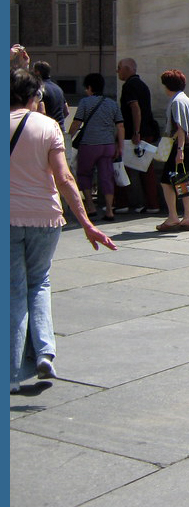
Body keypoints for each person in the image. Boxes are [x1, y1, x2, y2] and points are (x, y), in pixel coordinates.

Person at [10, 68, 117, 395]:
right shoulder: (49, 127)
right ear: (35, 97)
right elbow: (64, 178)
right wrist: (87, 223)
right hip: (47, 218)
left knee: (14, 289)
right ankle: (44, 352)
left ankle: (12, 371)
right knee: (39, 282)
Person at [68, 73, 125, 222]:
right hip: (108, 145)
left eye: (86, 88)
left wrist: (67, 138)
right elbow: (120, 125)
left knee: (84, 174)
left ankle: (91, 206)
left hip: (89, 145)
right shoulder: (112, 103)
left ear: (90, 87)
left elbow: (77, 123)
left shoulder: (85, 102)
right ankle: (109, 210)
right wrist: (120, 145)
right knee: (106, 177)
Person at [156, 69, 189, 232]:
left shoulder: (177, 101)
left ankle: (173, 217)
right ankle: (187, 216)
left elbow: (181, 128)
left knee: (166, 182)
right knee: (184, 180)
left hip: (182, 146)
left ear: (168, 85)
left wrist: (179, 151)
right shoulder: (185, 99)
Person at [116, 58, 162, 213]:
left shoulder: (130, 86)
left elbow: (135, 108)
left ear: (128, 69)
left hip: (135, 135)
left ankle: (122, 204)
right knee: (146, 171)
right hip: (146, 132)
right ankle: (152, 204)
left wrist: (136, 132)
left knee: (123, 168)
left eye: (119, 68)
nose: (117, 71)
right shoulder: (142, 85)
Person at [31, 61, 69, 127]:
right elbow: (66, 112)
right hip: (60, 129)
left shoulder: (38, 88)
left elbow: (42, 112)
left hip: (46, 130)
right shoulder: (58, 88)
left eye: (33, 71)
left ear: (37, 72)